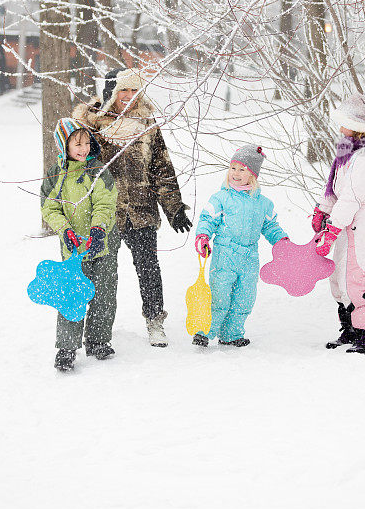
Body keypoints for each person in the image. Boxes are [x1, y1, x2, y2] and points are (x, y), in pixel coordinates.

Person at [73, 68, 191, 347]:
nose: (128, 96)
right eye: (123, 90)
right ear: (111, 92)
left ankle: (154, 321)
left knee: (148, 268)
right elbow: (77, 167)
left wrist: (173, 207)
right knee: (100, 274)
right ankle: (97, 332)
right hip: (104, 215)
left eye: (133, 90)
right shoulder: (93, 126)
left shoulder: (147, 125)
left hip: (141, 211)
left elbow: (161, 168)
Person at [312, 89, 365, 355]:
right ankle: (350, 328)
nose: (340, 125)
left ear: (357, 127)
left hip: (364, 221)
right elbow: (337, 190)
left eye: (345, 120)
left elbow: (354, 197)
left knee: (356, 276)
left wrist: (332, 229)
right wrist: (323, 211)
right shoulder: (347, 150)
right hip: (347, 219)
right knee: (338, 277)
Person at [41, 118, 119, 372]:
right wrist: (65, 231)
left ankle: (98, 341)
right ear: (64, 145)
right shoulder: (55, 175)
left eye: (87, 142)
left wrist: (98, 229)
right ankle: (66, 347)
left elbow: (105, 204)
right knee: (71, 295)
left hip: (101, 243)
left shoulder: (98, 171)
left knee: (103, 293)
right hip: (73, 247)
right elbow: (49, 208)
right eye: (77, 143)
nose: (84, 148)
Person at [193, 145, 288, 347]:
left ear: (252, 174)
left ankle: (231, 334)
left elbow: (270, 226)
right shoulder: (221, 198)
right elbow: (207, 219)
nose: (235, 174)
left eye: (242, 169)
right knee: (219, 297)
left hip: (249, 258)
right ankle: (204, 332)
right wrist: (203, 235)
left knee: (244, 298)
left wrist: (281, 242)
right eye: (233, 168)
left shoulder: (263, 203)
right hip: (225, 255)